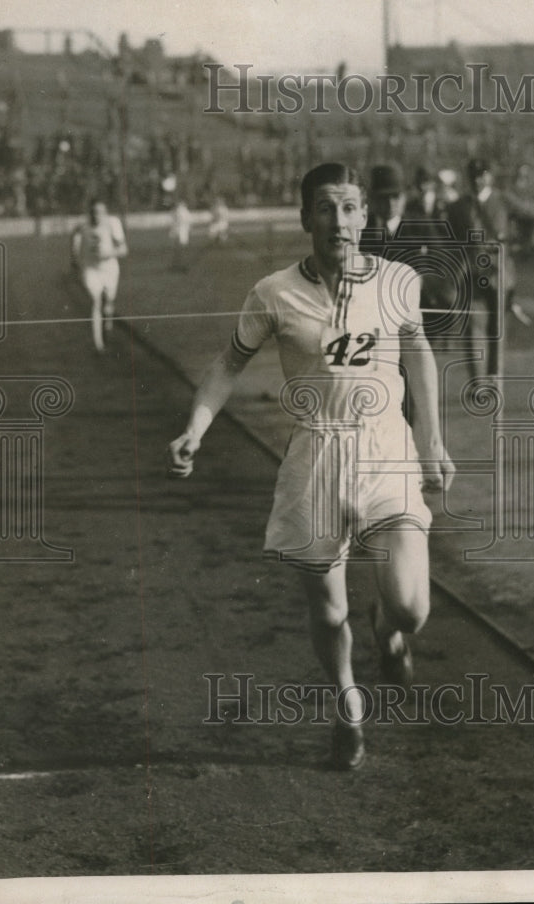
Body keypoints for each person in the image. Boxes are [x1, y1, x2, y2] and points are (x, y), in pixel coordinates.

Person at [167, 162, 454, 770]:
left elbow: (420, 355)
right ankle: (346, 702)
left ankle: (389, 631)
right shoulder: (273, 293)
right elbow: (227, 365)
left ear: (365, 217)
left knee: (411, 605)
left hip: (385, 451)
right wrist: (196, 427)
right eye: (325, 208)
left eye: (350, 208)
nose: (339, 221)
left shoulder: (398, 281)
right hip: (316, 459)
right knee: (327, 610)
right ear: (305, 218)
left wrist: (432, 441)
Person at [448, 158, 524, 383]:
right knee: (472, 327)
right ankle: (477, 382)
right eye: (473, 176)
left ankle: (494, 376)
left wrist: (516, 244)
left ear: (489, 176)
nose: (477, 180)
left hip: (499, 274)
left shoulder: (503, 200)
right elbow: (449, 239)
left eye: (482, 175)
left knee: (497, 328)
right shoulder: (458, 207)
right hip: (471, 274)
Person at [70, 198, 128, 353]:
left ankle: (107, 318)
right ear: (90, 213)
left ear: (106, 213)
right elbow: (74, 236)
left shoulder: (113, 224)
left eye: (100, 212)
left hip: (109, 269)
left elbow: (123, 249)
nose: (97, 216)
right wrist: (74, 257)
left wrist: (109, 253)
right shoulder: (83, 226)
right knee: (95, 302)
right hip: (91, 269)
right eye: (94, 212)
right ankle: (98, 343)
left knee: (108, 302)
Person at [169, 198, 192, 271]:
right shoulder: (180, 211)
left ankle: (180, 265)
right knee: (179, 249)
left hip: (180, 231)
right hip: (180, 231)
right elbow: (186, 222)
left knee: (179, 249)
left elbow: (185, 222)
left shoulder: (181, 211)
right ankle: (178, 265)